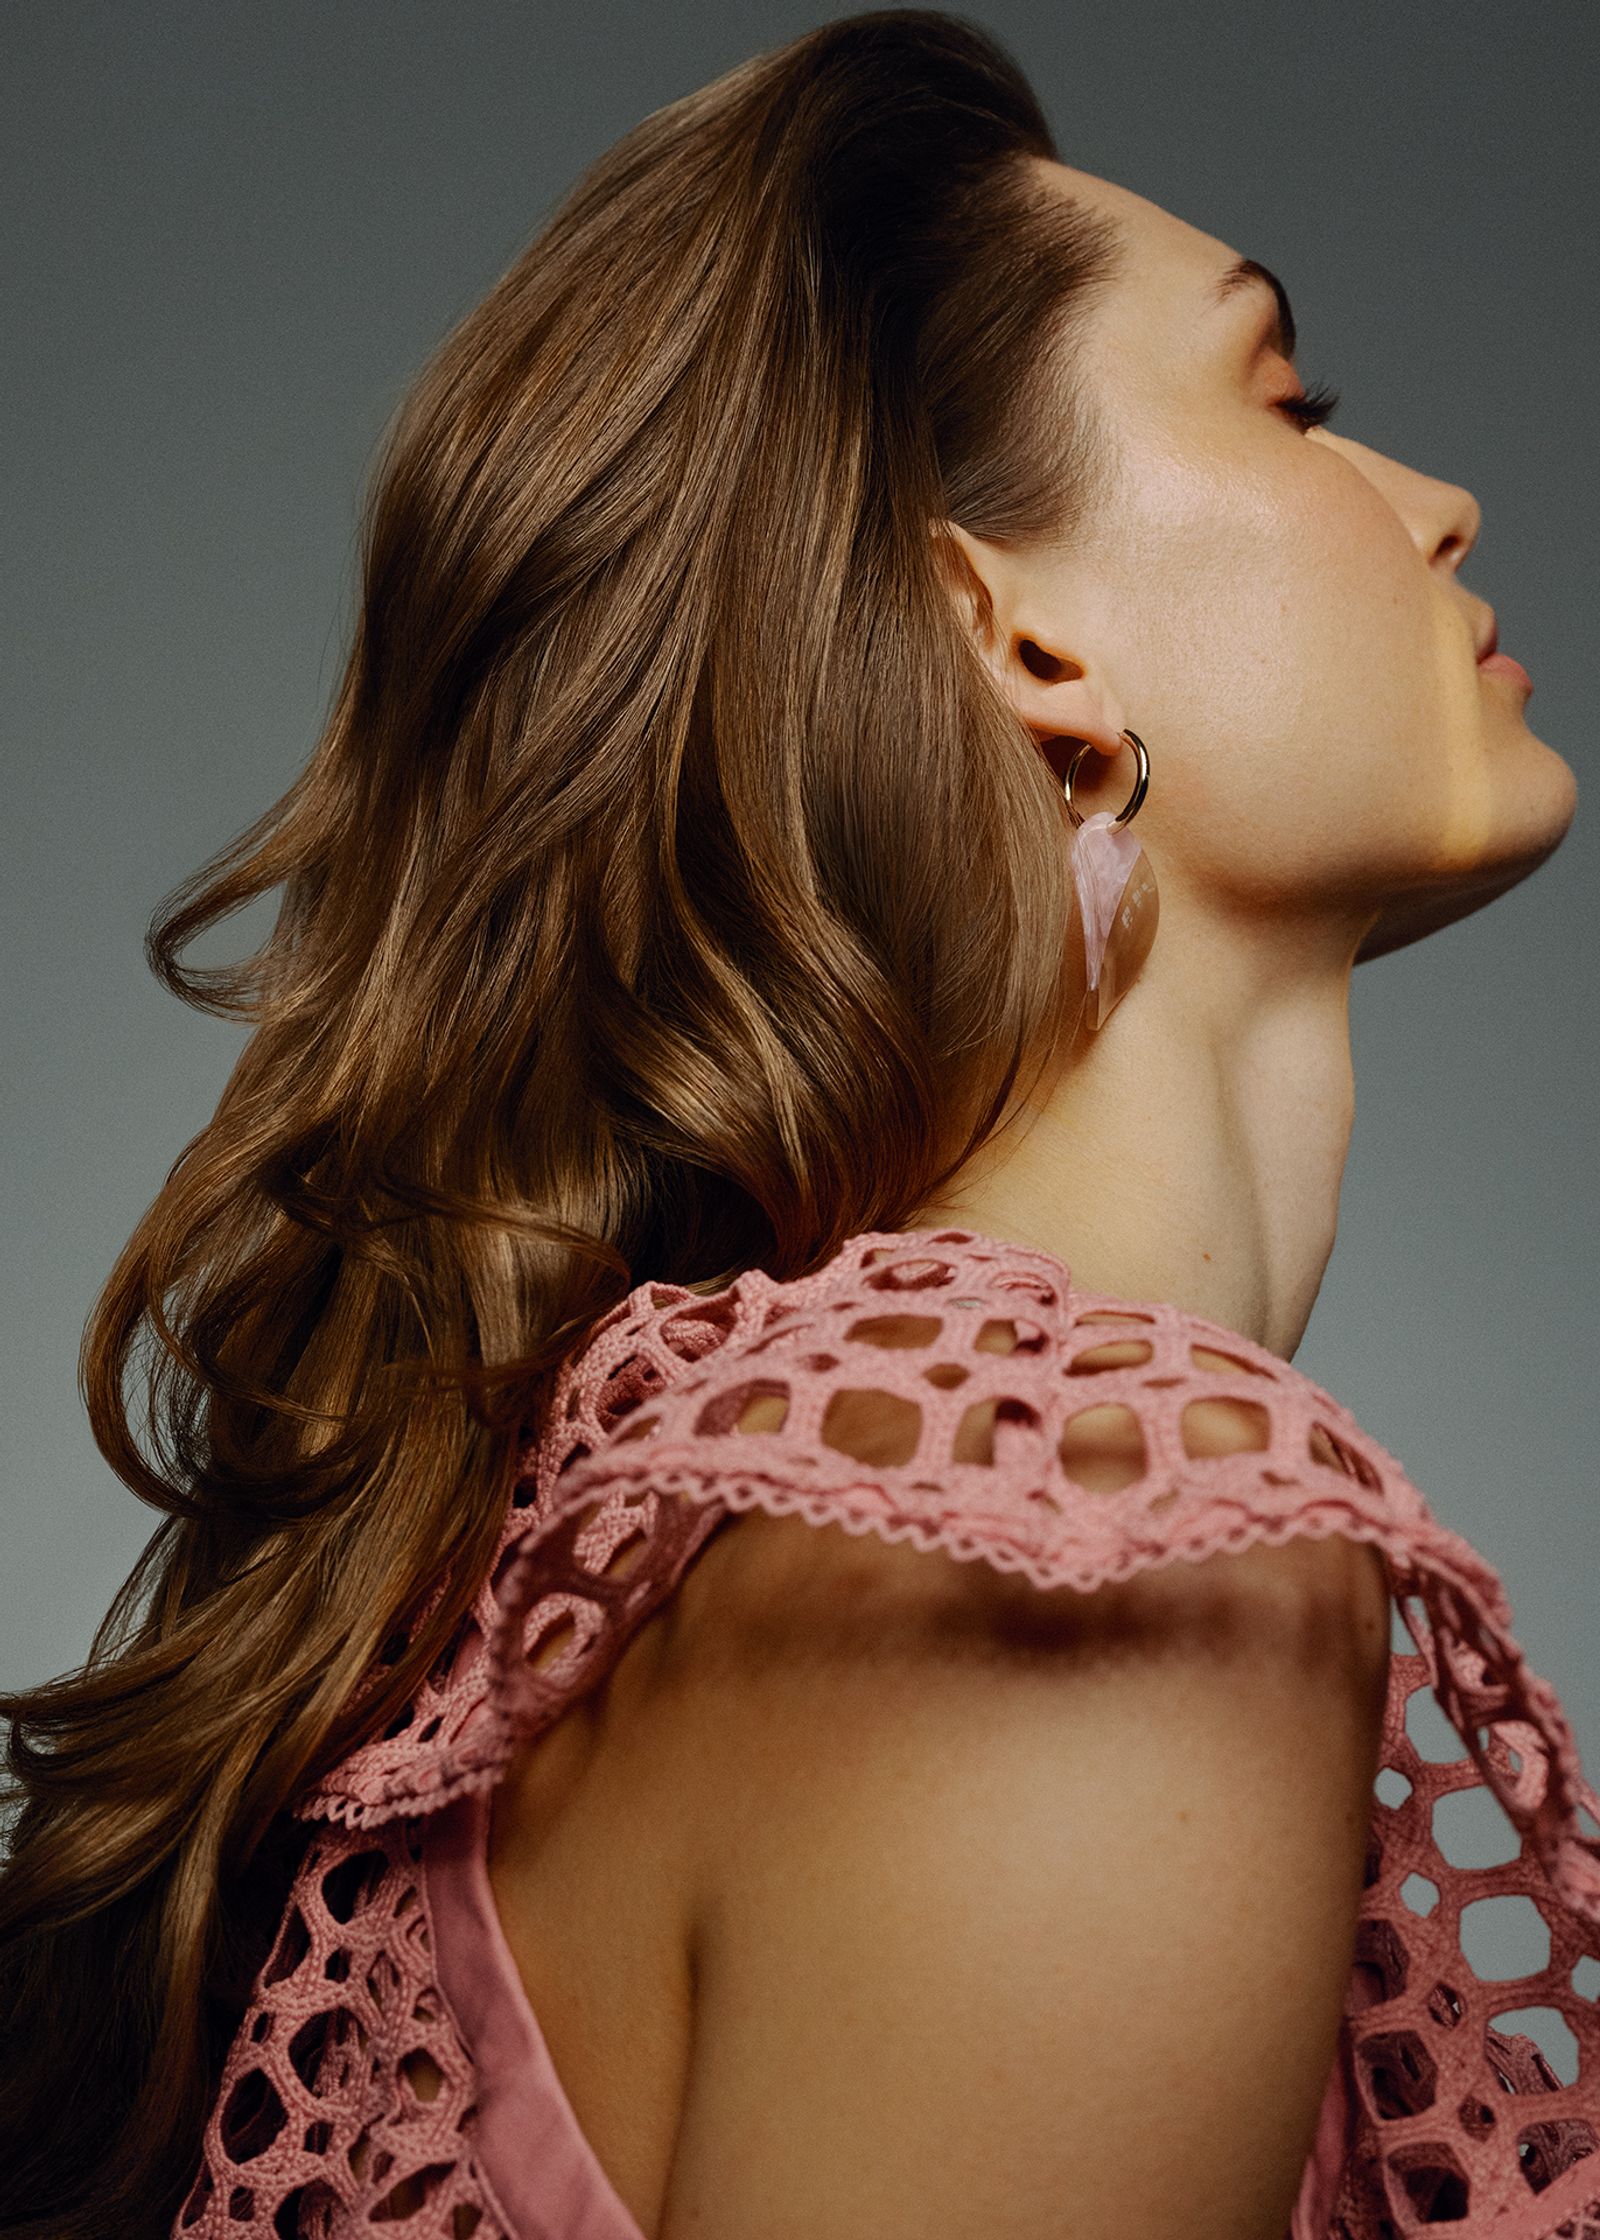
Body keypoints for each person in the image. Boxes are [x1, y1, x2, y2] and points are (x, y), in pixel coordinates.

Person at [1, 12, 1593, 2239]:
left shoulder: (700, 1540)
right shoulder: (1077, 1546)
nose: (1436, 501)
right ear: (1012, 630)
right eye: (1283, 398)